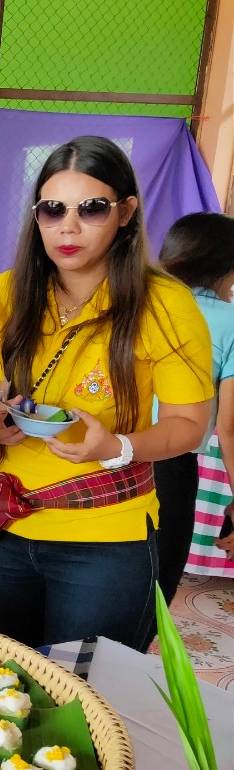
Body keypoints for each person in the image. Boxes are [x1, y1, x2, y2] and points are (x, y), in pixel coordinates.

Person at [0, 136, 212, 651]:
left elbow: (190, 425)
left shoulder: (164, 303)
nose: (68, 227)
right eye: (52, 210)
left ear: (125, 212)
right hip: (3, 530)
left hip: (105, 541)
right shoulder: (5, 294)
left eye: (91, 208)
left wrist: (117, 448)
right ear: (37, 218)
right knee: (12, 688)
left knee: (87, 695)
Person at [156, 213, 234, 585]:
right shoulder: (229, 320)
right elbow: (228, 426)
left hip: (110, 454)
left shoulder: (141, 304)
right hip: (170, 465)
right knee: (156, 582)